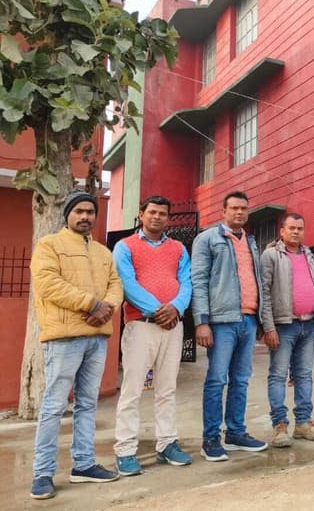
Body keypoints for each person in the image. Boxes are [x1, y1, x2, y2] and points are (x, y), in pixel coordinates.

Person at [29, 191, 123, 499]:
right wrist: (90, 304)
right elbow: (48, 283)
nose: (85, 216)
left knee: (88, 403)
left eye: (90, 212)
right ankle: (42, 473)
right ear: (67, 214)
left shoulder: (102, 252)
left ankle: (83, 464)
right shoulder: (49, 245)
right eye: (79, 211)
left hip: (96, 336)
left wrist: (107, 307)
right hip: (64, 337)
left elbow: (115, 284)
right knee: (54, 405)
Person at [113, 196, 193, 476]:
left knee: (167, 388)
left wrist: (177, 308)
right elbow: (126, 283)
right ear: (141, 214)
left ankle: (167, 443)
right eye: (153, 212)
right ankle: (125, 449)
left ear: (168, 218)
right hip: (141, 325)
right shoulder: (125, 246)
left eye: (163, 213)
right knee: (132, 389)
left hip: (173, 325)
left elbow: (186, 282)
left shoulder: (178, 248)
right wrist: (159, 310)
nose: (157, 217)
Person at [191, 191, 268, 462]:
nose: (239, 212)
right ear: (223, 211)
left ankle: (235, 432)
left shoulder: (251, 241)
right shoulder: (207, 239)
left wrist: (261, 319)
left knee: (241, 379)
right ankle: (210, 438)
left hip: (248, 320)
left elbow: (257, 281)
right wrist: (201, 321)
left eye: (243, 208)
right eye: (234, 208)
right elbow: (199, 280)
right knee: (216, 380)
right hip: (221, 322)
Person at [261, 213, 314, 447]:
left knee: (304, 375)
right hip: (283, 326)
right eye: (291, 228)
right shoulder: (271, 255)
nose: (296, 232)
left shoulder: (309, 255)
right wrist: (268, 327)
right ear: (282, 231)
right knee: (278, 375)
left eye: (300, 228)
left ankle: (303, 423)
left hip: (308, 325)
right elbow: (264, 292)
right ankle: (280, 425)